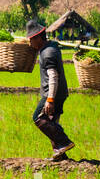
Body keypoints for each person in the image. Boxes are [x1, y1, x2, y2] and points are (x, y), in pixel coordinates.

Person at [26, 18, 75, 161]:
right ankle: (60, 154)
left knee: (38, 118)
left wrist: (50, 99)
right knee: (51, 122)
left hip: (53, 94)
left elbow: (53, 76)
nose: (29, 43)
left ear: (38, 38)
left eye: (31, 39)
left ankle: (65, 142)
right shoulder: (51, 46)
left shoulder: (48, 53)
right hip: (60, 93)